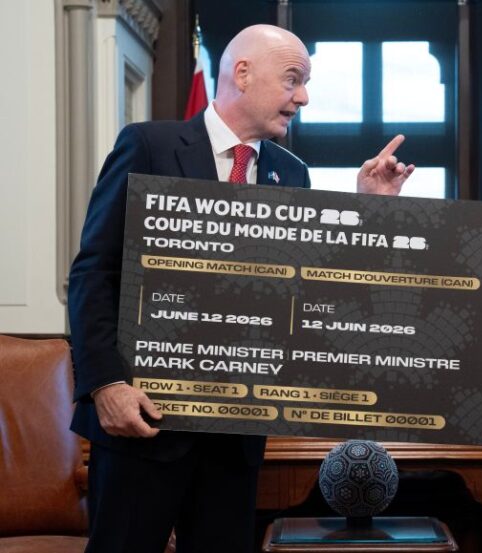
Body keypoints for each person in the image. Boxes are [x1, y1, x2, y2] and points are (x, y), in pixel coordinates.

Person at [68, 24, 414, 553]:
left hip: (234, 438)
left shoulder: (290, 173)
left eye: (306, 83)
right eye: (293, 79)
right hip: (142, 423)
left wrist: (368, 209)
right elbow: (94, 270)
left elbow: (308, 290)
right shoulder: (148, 145)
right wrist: (105, 384)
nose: (304, 97)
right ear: (243, 74)